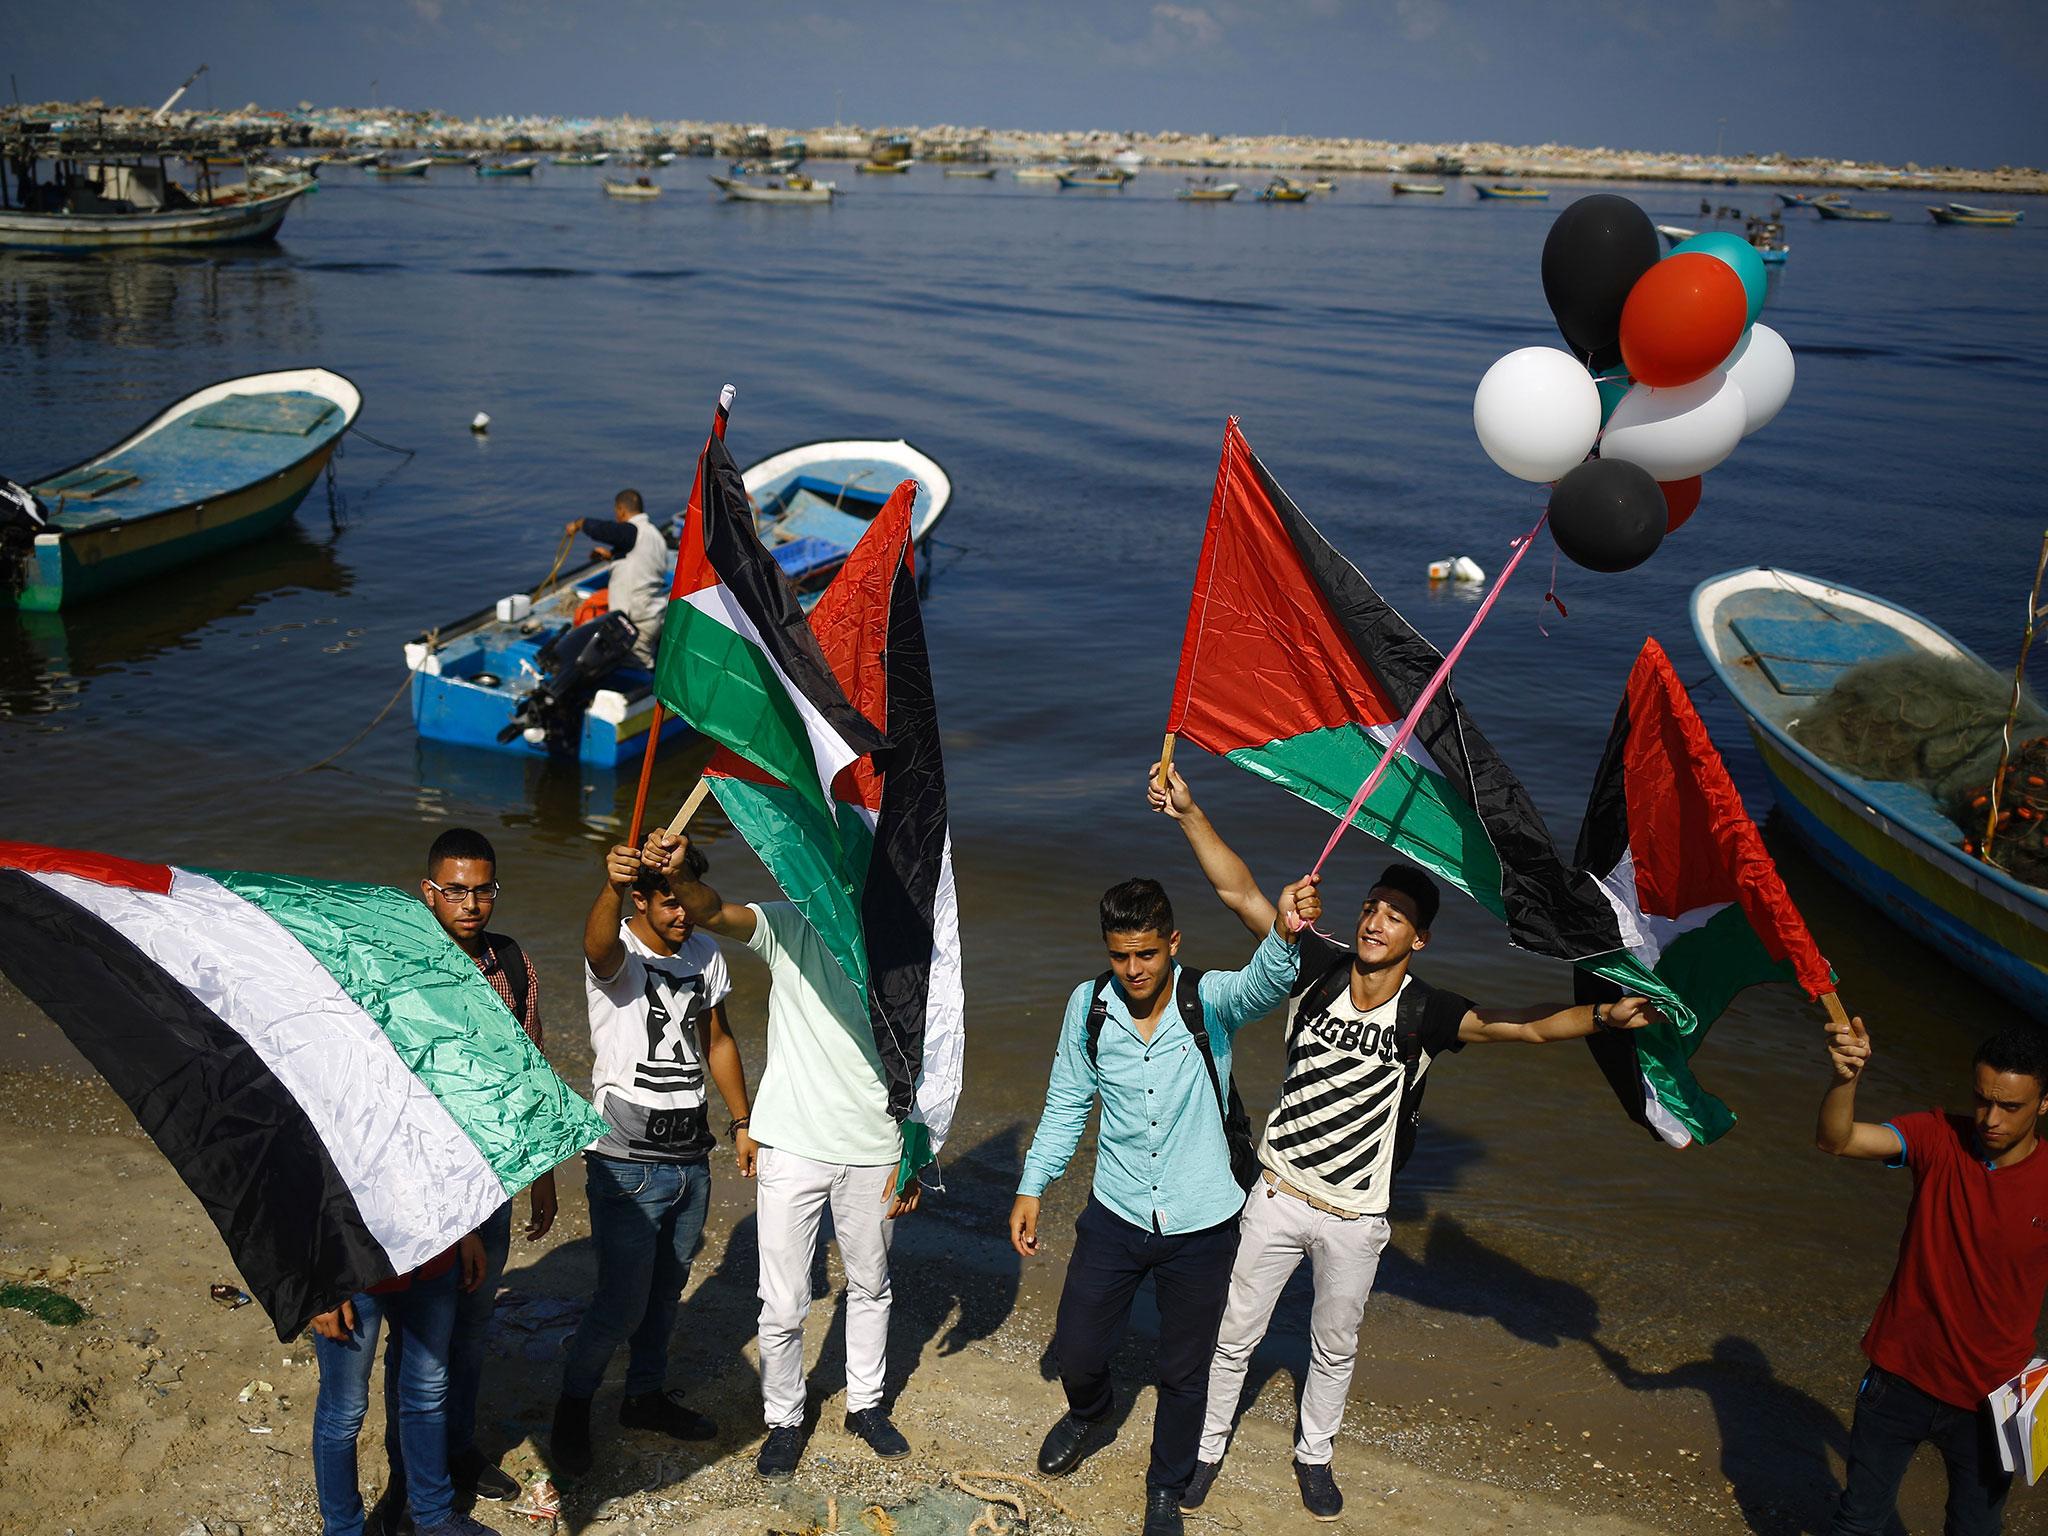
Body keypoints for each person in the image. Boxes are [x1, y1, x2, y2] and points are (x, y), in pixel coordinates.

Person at [1148, 766, 1657, 1523]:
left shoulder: (1429, 1011)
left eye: (1394, 916)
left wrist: (1601, 1021)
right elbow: (1242, 896)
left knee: (1334, 1346)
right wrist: (1189, 813)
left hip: (1357, 1216)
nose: (1374, 921)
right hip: (1279, 1193)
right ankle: (1208, 1447)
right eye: (1370, 908)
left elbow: (1522, 1024)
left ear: (1418, 937)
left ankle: (1314, 1456)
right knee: (1234, 1334)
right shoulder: (1314, 969)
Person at [1009, 842, 1322, 1536]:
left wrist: (1285, 931)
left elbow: (1262, 986)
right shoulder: (1088, 1008)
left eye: (1146, 954)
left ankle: (1165, 1486)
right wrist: (1034, 1184)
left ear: (1172, 943)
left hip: (1204, 1224)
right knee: (1080, 1348)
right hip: (1116, 1211)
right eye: (1120, 956)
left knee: (1186, 1373)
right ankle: (1091, 1412)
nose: (1133, 970)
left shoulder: (1203, 999)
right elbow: (1067, 1102)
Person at [639, 826, 918, 1482]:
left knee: (872, 1283)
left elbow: (931, 1050)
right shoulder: (791, 925)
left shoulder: (905, 946)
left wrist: (918, 1150)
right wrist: (677, 877)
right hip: (791, 1140)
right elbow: (712, 912)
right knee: (783, 1300)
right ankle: (785, 1417)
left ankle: (867, 1404)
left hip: (877, 1143)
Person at [548, 836, 755, 1479]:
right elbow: (597, 946)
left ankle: (643, 1395)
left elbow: (717, 1039)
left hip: (691, 1147)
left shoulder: (705, 953)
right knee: (619, 1302)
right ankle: (572, 1411)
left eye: (688, 900)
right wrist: (611, 885)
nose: (682, 914)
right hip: (627, 1153)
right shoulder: (621, 950)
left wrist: (743, 1120)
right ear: (640, 899)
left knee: (669, 1289)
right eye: (669, 901)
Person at [1816, 1013, 2048, 1535]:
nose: (1991, 1118)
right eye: (1982, 1098)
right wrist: (1845, 1078)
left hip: (1996, 1398)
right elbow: (1838, 1140)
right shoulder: (1937, 1135)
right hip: (1898, 1378)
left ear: (2045, 1103)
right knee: (1858, 1523)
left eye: (2010, 1107)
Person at [311, 1235, 491, 1536]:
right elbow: (301, 1194)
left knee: (428, 1391)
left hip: (433, 1258)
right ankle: (343, 1530)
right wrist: (313, 1279)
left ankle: (433, 1516)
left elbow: (452, 1184)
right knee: (344, 1409)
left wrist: (467, 1230)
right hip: (349, 1270)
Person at [564, 489, 671, 664]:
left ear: (621, 510)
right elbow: (642, 563)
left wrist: (580, 524)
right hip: (655, 614)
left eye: (616, 512)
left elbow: (605, 530)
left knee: (636, 665)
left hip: (637, 619)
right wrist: (612, 557)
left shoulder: (632, 530)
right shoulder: (655, 536)